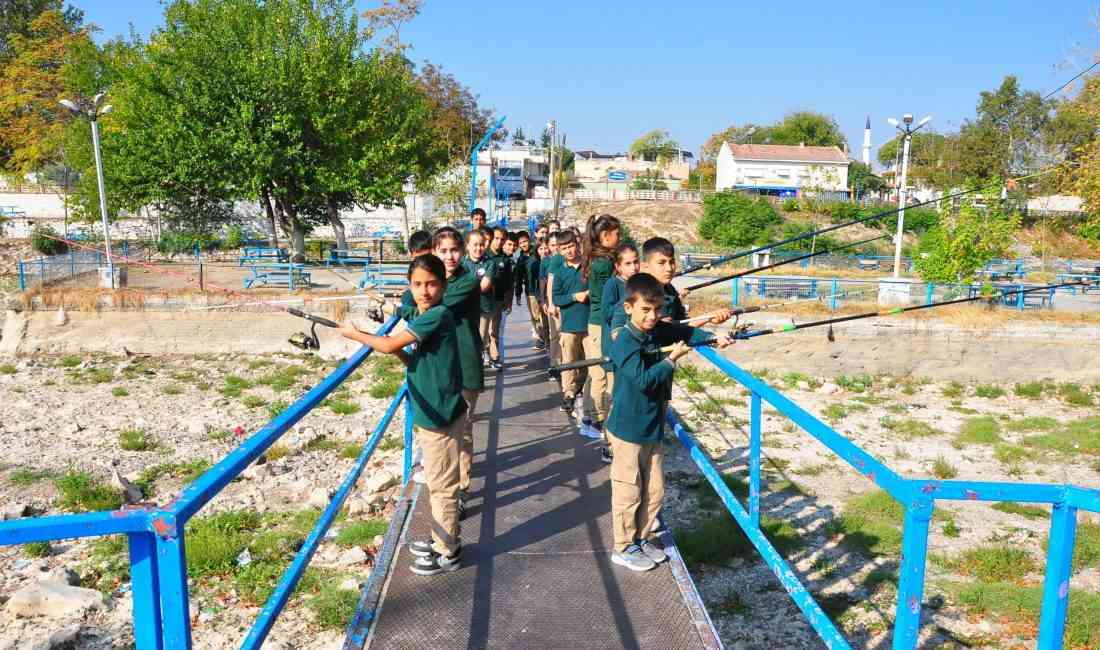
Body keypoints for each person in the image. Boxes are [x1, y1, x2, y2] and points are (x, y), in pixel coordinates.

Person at [338, 255, 466, 576]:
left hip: (441, 416)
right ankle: (441, 539)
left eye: (432, 283)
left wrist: (354, 334)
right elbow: (408, 325)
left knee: (442, 486)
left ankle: (448, 551)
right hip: (432, 411)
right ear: (410, 286)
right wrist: (389, 307)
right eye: (418, 284)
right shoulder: (425, 313)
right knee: (438, 482)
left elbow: (388, 345)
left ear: (444, 285)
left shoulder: (437, 315)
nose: (424, 291)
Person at [606, 272, 733, 572]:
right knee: (628, 489)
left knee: (655, 489)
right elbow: (643, 380)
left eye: (657, 310)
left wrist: (714, 338)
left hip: (652, 425)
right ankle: (623, 546)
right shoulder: (624, 341)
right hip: (627, 429)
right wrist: (670, 360)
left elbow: (684, 333)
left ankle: (643, 536)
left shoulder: (656, 331)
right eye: (645, 310)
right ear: (629, 308)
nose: (652, 317)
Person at [395, 227, 485, 504]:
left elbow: (422, 304)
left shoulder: (465, 282)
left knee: (463, 432)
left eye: (455, 250)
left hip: (464, 364)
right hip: (439, 369)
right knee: (444, 430)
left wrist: (405, 299)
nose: (450, 256)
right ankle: (446, 483)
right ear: (434, 251)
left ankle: (460, 489)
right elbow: (414, 302)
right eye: (443, 251)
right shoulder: (431, 281)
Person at [596, 241, 640, 464]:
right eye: (629, 264)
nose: (634, 268)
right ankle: (608, 443)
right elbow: (606, 313)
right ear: (618, 266)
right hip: (615, 351)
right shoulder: (613, 285)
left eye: (636, 262)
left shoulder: (639, 284)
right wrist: (627, 306)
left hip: (634, 353)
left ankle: (625, 441)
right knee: (613, 398)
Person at [580, 214, 621, 441]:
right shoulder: (604, 263)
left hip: (594, 321)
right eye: (617, 234)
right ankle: (597, 421)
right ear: (605, 236)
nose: (620, 238)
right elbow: (611, 295)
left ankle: (587, 417)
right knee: (600, 376)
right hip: (599, 324)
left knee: (593, 373)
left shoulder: (597, 258)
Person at [550, 229, 589, 414]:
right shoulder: (559, 272)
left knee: (589, 362)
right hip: (569, 325)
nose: (569, 251)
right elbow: (557, 298)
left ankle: (579, 390)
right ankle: (568, 394)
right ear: (560, 250)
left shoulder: (588, 267)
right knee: (569, 362)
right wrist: (575, 296)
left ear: (577, 244)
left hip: (589, 324)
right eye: (564, 248)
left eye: (571, 246)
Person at [468, 229, 499, 370]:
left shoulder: (489, 263)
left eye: (481, 245)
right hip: (465, 309)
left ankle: (477, 368)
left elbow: (484, 286)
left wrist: (463, 288)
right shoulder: (462, 263)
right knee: (467, 340)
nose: (478, 248)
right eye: (475, 244)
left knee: (480, 339)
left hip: (483, 308)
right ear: (467, 245)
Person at [540, 233, 563, 367]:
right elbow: (543, 281)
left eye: (558, 245)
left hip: (564, 302)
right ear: (548, 246)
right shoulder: (546, 261)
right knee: (554, 333)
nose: (556, 248)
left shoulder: (565, 259)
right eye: (553, 245)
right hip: (552, 301)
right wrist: (544, 301)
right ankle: (555, 363)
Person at [397, 230, 434, 312]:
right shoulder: (414, 269)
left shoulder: (439, 268)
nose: (423, 262)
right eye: (418, 259)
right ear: (412, 255)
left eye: (427, 257)